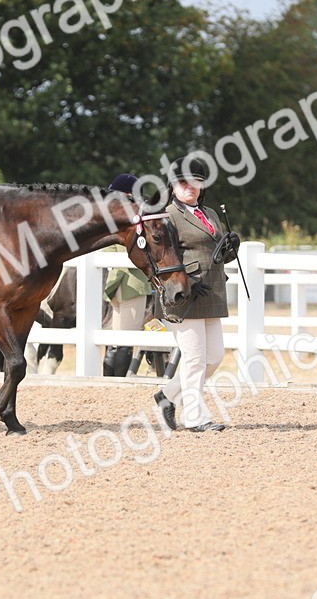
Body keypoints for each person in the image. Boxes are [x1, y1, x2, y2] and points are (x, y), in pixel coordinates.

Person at [153, 157, 240, 431]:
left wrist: (230, 248)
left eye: (196, 182)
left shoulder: (211, 214)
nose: (190, 186)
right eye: (183, 182)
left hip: (211, 292)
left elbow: (213, 254)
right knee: (194, 358)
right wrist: (188, 281)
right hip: (184, 295)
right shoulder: (167, 216)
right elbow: (163, 258)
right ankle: (195, 417)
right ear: (173, 185)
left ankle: (167, 394)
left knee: (213, 356)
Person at [103, 174, 152, 377]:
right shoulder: (120, 219)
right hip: (122, 285)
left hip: (125, 284)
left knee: (121, 341)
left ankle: (115, 381)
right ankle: (113, 381)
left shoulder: (134, 219)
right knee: (119, 341)